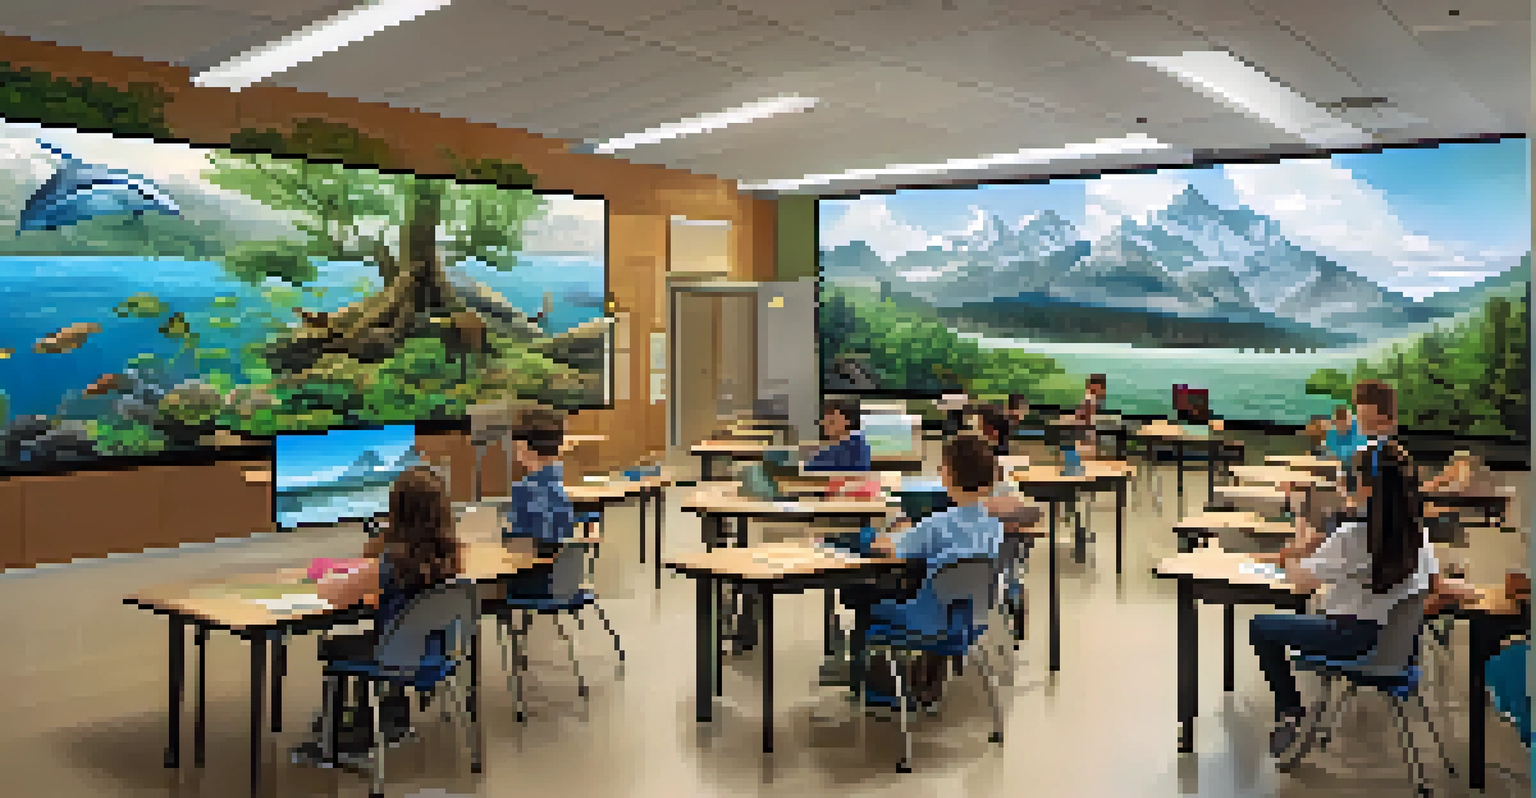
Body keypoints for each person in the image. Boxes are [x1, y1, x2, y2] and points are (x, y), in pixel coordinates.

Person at [1249, 440, 1438, 760]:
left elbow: (1300, 582)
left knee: (1261, 627)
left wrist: (1295, 552)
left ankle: (1291, 711)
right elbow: (1433, 586)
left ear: (1364, 486)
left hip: (1353, 641)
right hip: (1403, 651)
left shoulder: (1352, 536)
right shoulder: (1419, 536)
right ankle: (1293, 714)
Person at [293, 466, 465, 765]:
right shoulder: (452, 556)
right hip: (437, 652)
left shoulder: (389, 562)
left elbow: (337, 595)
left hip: (394, 654)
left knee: (337, 646)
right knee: (392, 636)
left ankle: (332, 744)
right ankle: (390, 717)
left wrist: (331, 579)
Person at [860, 434, 1005, 707]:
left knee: (863, 596)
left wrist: (886, 533)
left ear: (949, 475)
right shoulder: (994, 526)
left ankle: (877, 688)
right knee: (932, 590)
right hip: (968, 623)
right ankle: (926, 681)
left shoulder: (936, 525)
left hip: (924, 622)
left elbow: (888, 548)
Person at [502, 407, 578, 597]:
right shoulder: (559, 489)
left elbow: (519, 548)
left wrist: (501, 535)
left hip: (532, 583)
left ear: (523, 448)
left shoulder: (524, 490)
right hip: (564, 581)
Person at [804, 396, 871, 472]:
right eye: (824, 421)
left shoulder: (855, 446)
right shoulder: (838, 444)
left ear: (847, 421)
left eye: (831, 422)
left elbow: (815, 466)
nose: (825, 424)